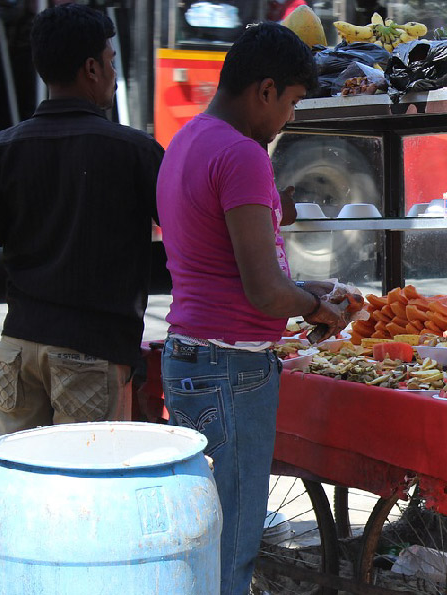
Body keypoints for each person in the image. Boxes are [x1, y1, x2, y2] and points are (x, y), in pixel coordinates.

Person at [155, 22, 346, 595]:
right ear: (265, 90)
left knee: (203, 537)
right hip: (232, 370)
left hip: (190, 358)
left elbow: (229, 265)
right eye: (290, 103)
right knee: (233, 546)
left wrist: (306, 289)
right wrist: (319, 307)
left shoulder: (187, 140)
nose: (290, 118)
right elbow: (264, 291)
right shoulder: (241, 155)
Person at [0, 4, 164, 438]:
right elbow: (186, 244)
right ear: (91, 69)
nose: (113, 72)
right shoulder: (137, 152)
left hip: (18, 352)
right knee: (87, 492)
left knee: (18, 485)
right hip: (94, 355)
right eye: (111, 61)